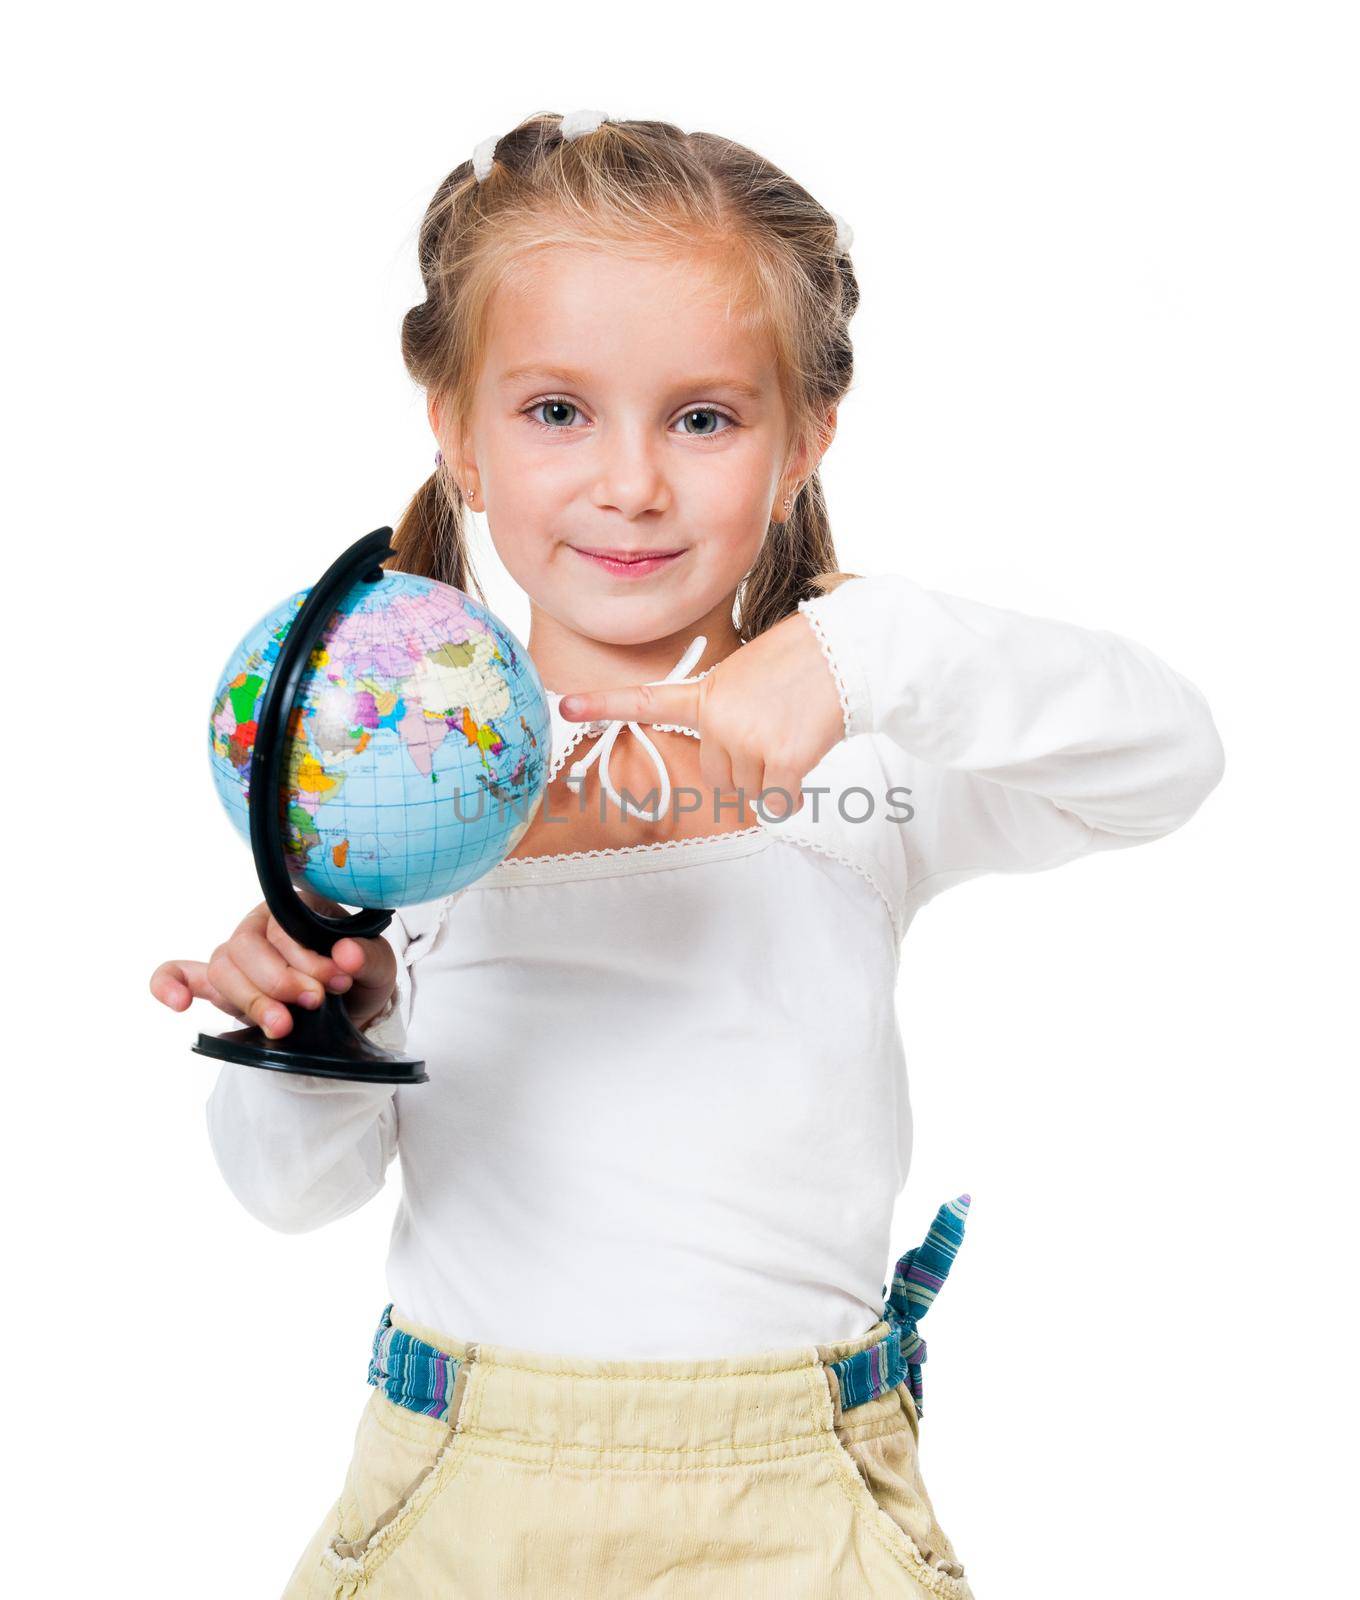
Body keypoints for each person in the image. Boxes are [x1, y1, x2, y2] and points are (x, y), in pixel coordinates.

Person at [150, 110, 1226, 1598]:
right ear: (455, 428)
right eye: (556, 412)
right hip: (465, 1497)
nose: (633, 483)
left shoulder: (864, 765)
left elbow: (1166, 761)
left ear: (804, 441)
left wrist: (861, 659)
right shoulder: (393, 798)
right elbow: (290, 1196)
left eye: (704, 418)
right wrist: (318, 1017)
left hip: (800, 1505)